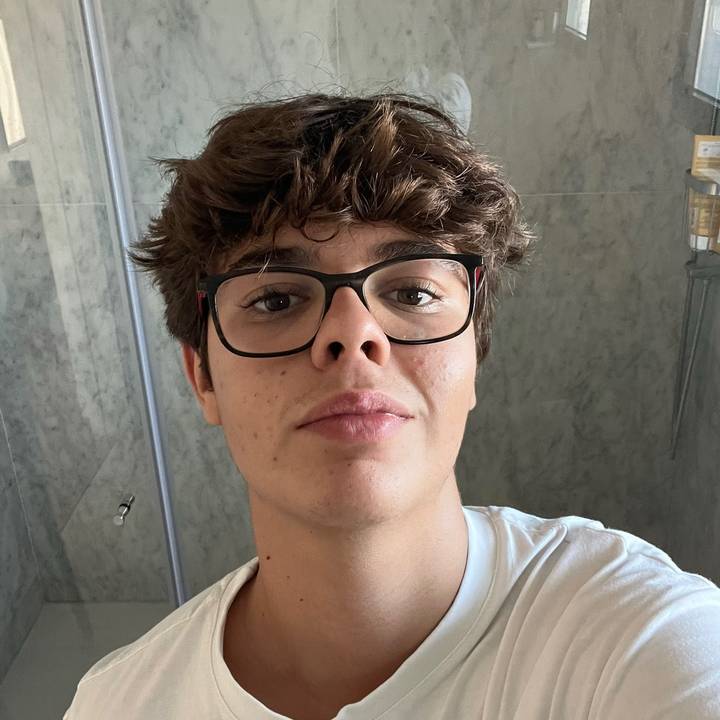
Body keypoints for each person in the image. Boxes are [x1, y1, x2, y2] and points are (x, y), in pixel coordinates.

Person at [64, 93, 720, 720]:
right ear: (201, 376)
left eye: (411, 293)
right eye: (275, 300)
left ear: (474, 356)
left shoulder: (634, 638)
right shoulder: (117, 705)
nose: (352, 335)